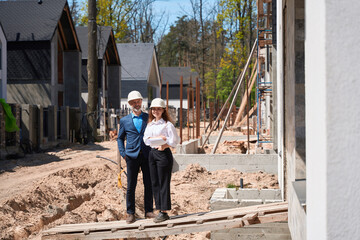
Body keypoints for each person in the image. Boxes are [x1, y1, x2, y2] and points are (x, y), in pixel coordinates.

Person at [117, 91, 156, 224]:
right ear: (129, 104)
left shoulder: (148, 118)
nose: (136, 104)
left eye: (138, 101)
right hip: (132, 156)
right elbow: (120, 138)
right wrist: (123, 154)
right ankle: (130, 213)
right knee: (131, 186)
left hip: (146, 155)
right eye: (133, 102)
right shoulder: (124, 121)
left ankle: (149, 211)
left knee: (148, 184)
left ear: (141, 102)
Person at [143, 98, 180, 223]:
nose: (156, 111)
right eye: (154, 109)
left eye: (159, 109)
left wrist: (165, 144)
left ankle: (164, 211)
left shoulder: (167, 125)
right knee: (155, 183)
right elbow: (146, 140)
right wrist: (159, 138)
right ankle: (159, 208)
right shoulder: (150, 124)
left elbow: (175, 140)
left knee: (163, 182)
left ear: (163, 110)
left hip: (163, 154)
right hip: (152, 154)